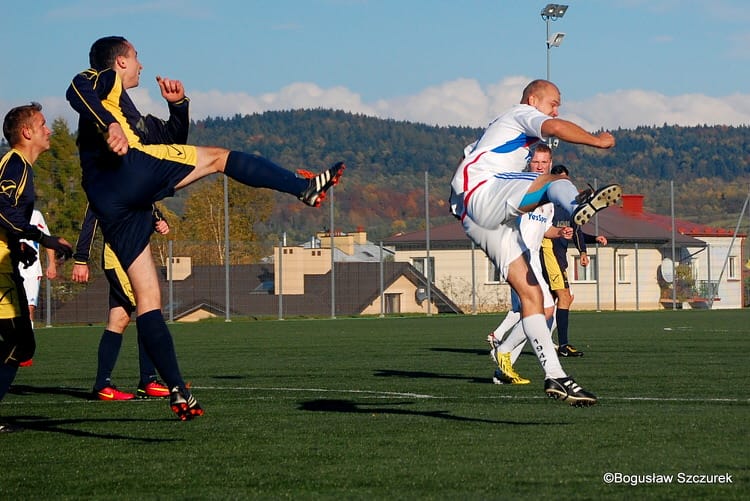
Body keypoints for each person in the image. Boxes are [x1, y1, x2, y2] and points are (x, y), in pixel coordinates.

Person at [66, 36, 345, 420]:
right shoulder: (104, 80)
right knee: (219, 158)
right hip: (127, 172)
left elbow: (172, 144)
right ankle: (304, 188)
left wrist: (178, 106)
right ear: (120, 62)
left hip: (113, 204)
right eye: (136, 58)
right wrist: (110, 125)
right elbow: (76, 89)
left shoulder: (127, 109)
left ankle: (178, 389)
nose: (142, 66)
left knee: (148, 298)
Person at [449, 79, 621, 407]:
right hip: (484, 194)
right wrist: (597, 141)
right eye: (553, 102)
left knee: (534, 296)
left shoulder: (503, 136)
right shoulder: (521, 113)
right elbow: (555, 125)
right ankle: (576, 206)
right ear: (533, 99)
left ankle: (555, 375)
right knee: (554, 180)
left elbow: (467, 159)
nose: (556, 109)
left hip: (478, 218)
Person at [0, 103, 73, 433]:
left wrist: (18, 247)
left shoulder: (22, 166)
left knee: (16, 342)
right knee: (20, 343)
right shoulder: (14, 164)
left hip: (6, 261)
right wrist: (43, 240)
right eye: (43, 125)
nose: (49, 130)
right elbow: (1, 208)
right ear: (27, 132)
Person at [72, 204, 172, 401]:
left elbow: (149, 209)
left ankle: (103, 385)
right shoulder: (102, 185)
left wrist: (160, 222)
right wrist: (81, 260)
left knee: (119, 319)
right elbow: (90, 224)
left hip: (138, 257)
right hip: (118, 258)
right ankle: (148, 380)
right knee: (149, 309)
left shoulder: (136, 181)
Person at [541, 163, 609, 358]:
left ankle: (540, 340)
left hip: (559, 258)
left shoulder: (569, 207)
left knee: (555, 301)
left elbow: (576, 231)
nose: (564, 183)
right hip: (548, 254)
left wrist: (588, 246)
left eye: (566, 180)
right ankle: (562, 345)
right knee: (562, 298)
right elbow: (543, 232)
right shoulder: (547, 206)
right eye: (559, 180)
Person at [16, 209, 58, 366]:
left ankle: (25, 353)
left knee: (28, 309)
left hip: (31, 271)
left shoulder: (35, 214)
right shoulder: (5, 212)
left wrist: (52, 263)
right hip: (8, 268)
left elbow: (47, 240)